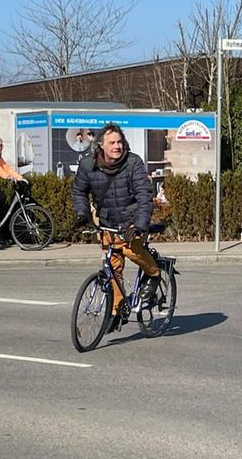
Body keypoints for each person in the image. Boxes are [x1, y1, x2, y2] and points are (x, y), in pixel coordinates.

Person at [71, 123, 161, 332]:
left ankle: (154, 273)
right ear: (101, 145)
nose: (117, 146)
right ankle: (116, 310)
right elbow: (78, 191)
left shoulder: (133, 163)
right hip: (108, 224)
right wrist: (82, 212)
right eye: (112, 142)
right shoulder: (88, 165)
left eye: (120, 142)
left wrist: (139, 225)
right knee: (112, 269)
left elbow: (144, 196)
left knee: (132, 250)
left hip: (132, 222)